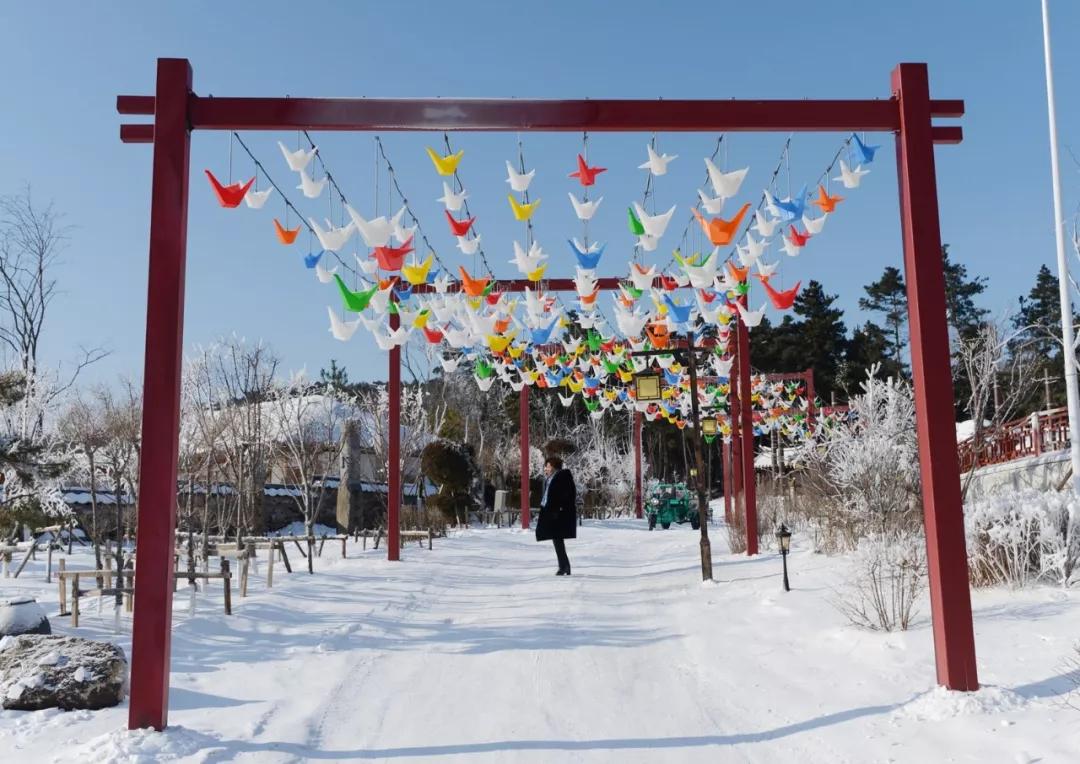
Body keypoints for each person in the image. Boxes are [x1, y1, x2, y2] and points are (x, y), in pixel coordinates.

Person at [535, 455, 577, 575]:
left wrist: (558, 509)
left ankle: (564, 567)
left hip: (558, 514)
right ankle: (564, 566)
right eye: (545, 466)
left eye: (548, 466)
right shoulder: (552, 478)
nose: (546, 469)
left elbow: (566, 495)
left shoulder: (562, 478)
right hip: (553, 513)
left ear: (554, 467)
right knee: (557, 541)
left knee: (557, 540)